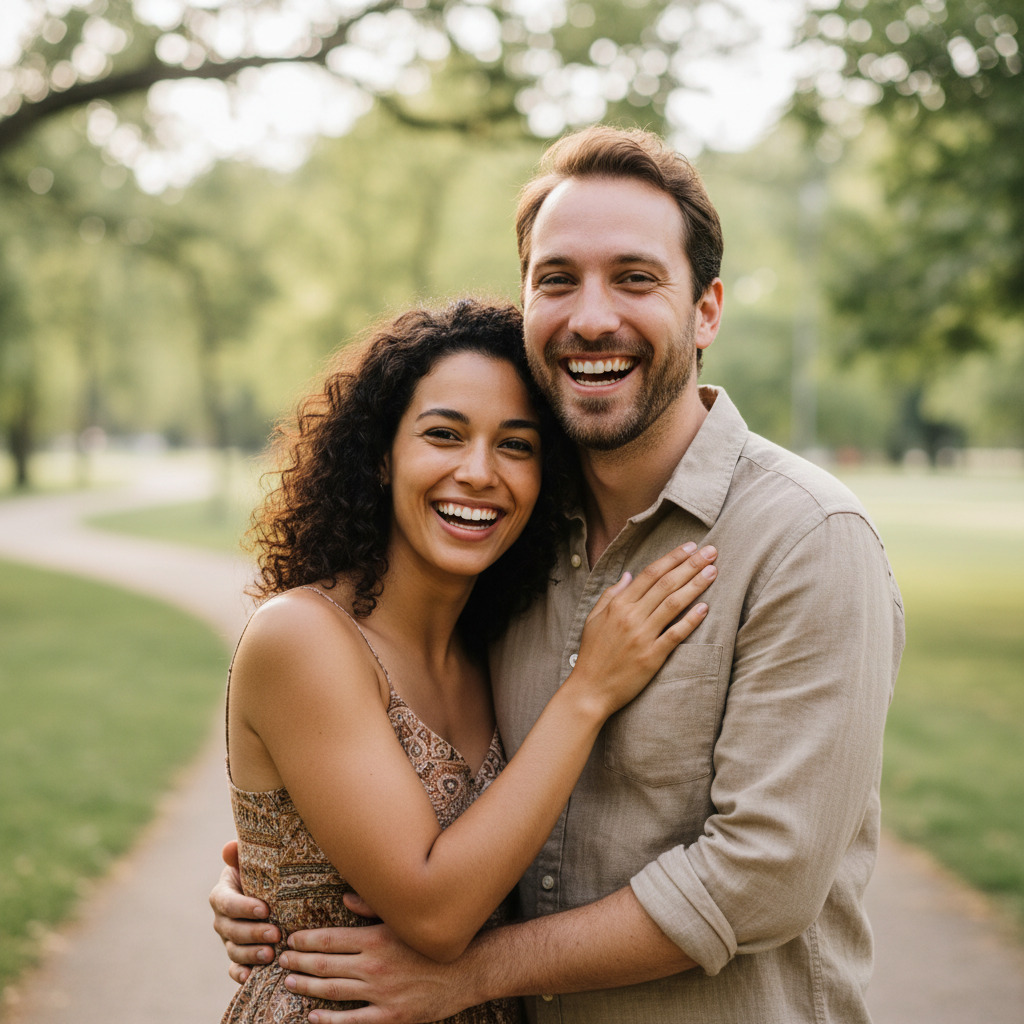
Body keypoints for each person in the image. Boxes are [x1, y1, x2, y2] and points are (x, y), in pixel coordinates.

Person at [212, 127, 905, 1024]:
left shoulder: (807, 541)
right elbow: (397, 788)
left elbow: (762, 881)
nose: (591, 317)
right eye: (557, 278)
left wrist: (471, 973)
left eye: (636, 277)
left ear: (707, 311)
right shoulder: (518, 541)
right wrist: (281, 878)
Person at [217, 296, 718, 1023]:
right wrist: (589, 692)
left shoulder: (493, 647)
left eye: (515, 445)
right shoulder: (301, 636)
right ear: (382, 455)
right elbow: (436, 914)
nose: (479, 472)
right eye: (444, 435)